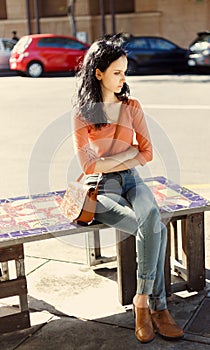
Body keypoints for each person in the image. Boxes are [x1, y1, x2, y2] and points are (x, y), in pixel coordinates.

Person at [72, 33, 184, 343]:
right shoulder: (84, 115)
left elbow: (146, 154)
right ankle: (158, 307)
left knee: (151, 216)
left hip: (133, 179)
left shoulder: (132, 106)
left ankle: (143, 303)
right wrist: (126, 154)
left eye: (125, 71)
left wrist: (113, 159)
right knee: (153, 229)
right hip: (102, 187)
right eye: (116, 72)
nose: (123, 78)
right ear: (99, 73)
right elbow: (88, 167)